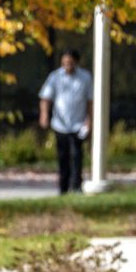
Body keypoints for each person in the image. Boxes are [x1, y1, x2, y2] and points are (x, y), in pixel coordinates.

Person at [39, 47, 93, 195]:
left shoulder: (85, 78)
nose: (67, 65)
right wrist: (44, 115)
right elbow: (46, 98)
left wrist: (89, 120)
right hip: (60, 124)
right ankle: (63, 188)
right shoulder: (55, 77)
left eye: (70, 62)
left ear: (76, 62)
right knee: (63, 156)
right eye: (65, 62)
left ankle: (76, 187)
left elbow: (90, 101)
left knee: (76, 155)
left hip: (78, 123)